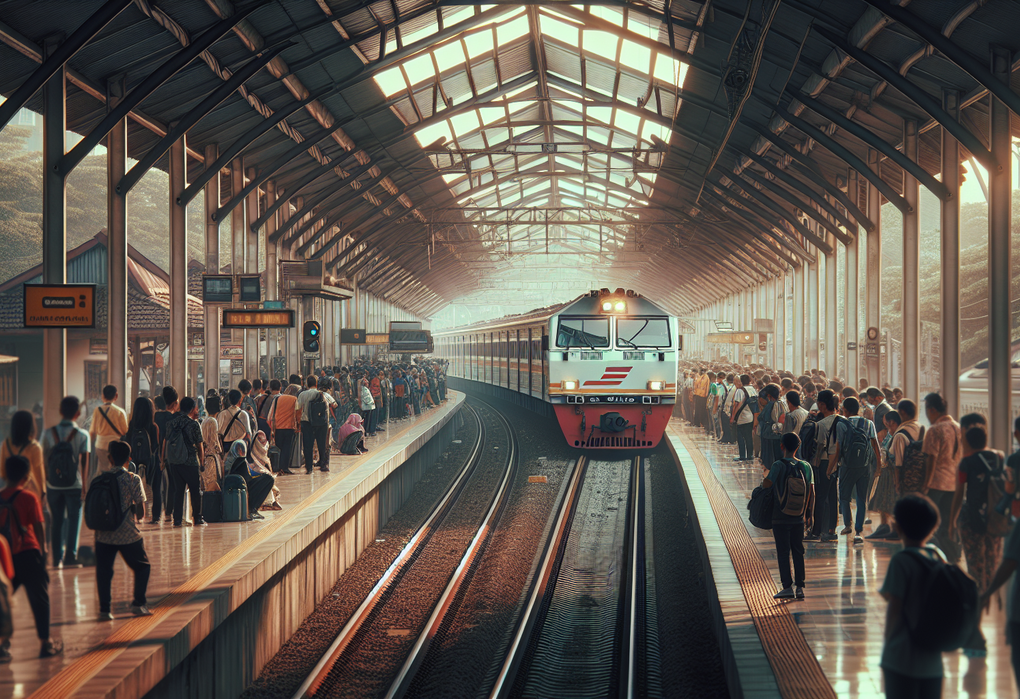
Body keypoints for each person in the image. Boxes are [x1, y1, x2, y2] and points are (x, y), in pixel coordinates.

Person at [880, 494, 945, 699]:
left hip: (901, 658)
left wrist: (887, 648)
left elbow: (895, 608)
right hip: (933, 661)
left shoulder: (901, 561)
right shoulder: (937, 556)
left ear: (896, 526)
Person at [949, 425, 1003, 658]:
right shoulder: (1000, 457)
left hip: (971, 522)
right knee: (989, 570)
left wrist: (952, 520)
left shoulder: (966, 463)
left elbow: (960, 492)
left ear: (967, 442)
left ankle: (976, 630)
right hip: (995, 522)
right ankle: (981, 618)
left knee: (975, 571)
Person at [0, 456, 62, 657]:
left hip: (6, 557)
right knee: (40, 599)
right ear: (26, 477)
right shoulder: (29, 498)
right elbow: (38, 528)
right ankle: (46, 643)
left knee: (4, 600)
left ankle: (3, 643)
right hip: (29, 554)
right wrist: (44, 553)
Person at [95, 440, 151, 621]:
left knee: (104, 571)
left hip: (103, 534)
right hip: (127, 533)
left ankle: (105, 610)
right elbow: (141, 513)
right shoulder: (133, 479)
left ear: (109, 458)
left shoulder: (99, 479)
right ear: (129, 459)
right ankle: (138, 604)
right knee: (143, 566)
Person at [41, 397, 90, 567]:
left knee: (57, 521)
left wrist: (47, 481)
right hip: (74, 485)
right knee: (74, 520)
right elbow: (84, 463)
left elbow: (44, 459)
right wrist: (84, 486)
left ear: (60, 412)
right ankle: (70, 557)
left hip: (53, 485)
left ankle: (56, 559)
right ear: (78, 414)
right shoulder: (83, 435)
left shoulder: (48, 433)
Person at [765, 432, 814, 600]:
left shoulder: (778, 465)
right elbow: (811, 491)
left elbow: (767, 484)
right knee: (798, 550)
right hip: (799, 516)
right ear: (798, 447)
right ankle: (800, 587)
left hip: (780, 516)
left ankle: (787, 587)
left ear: (781, 446)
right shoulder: (806, 466)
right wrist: (810, 514)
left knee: (783, 551)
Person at [832, 397, 882, 544]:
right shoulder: (868, 423)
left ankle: (848, 524)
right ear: (858, 409)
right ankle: (859, 530)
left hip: (847, 466)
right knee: (861, 498)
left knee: (844, 496)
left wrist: (834, 465)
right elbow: (875, 445)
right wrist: (878, 465)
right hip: (864, 466)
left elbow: (838, 447)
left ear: (845, 410)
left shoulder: (841, 424)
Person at [921, 392, 962, 563]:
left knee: (929, 521)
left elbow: (931, 458)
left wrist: (926, 484)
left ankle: (934, 553)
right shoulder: (959, 428)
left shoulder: (935, 430)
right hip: (955, 483)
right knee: (949, 520)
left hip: (937, 483)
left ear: (931, 410)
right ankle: (953, 553)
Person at [163, 397, 205, 528]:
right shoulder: (194, 424)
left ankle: (177, 519)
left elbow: (166, 441)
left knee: (178, 491)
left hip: (174, 462)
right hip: (190, 462)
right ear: (192, 409)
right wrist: (202, 462)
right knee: (195, 490)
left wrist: (163, 459)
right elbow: (200, 446)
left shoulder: (171, 423)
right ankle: (197, 518)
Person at [808, 390, 840, 542]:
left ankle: (816, 531)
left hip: (825, 462)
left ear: (821, 404)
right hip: (839, 463)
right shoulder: (843, 420)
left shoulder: (821, 424)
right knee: (833, 496)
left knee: (820, 497)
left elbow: (820, 446)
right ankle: (832, 530)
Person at [867, 411, 902, 541]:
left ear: (892, 422)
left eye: (887, 425)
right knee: (883, 500)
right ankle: (884, 525)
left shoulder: (898, 435)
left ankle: (889, 526)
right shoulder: (892, 434)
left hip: (891, 473)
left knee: (888, 500)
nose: (887, 428)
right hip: (886, 471)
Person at [125, 397, 159, 521]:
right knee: (155, 487)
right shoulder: (153, 427)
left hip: (134, 461)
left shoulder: (131, 426)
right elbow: (155, 446)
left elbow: (128, 443)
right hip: (149, 463)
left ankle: (133, 513)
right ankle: (155, 516)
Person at [1, 411, 45, 505]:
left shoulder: (6, 444)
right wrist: (42, 494)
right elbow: (39, 474)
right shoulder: (34, 447)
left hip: (10, 492)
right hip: (30, 491)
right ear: (31, 426)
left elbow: (2, 470)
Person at [223, 441, 274, 519]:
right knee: (268, 480)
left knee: (268, 478)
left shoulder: (231, 458)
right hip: (240, 488)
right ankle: (252, 508)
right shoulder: (240, 461)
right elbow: (246, 478)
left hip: (242, 486)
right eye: (240, 449)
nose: (241, 452)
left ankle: (253, 509)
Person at [297, 376, 336, 473]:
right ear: (316, 383)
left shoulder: (302, 394)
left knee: (308, 446)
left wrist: (298, 422)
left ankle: (309, 468)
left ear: (306, 384)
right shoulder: (323, 394)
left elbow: (297, 409)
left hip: (306, 422)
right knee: (322, 444)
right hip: (321, 423)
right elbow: (334, 404)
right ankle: (323, 465)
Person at [89, 385, 128, 479]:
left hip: (100, 445)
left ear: (103, 396)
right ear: (116, 396)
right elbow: (124, 431)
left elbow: (92, 431)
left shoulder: (97, 410)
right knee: (115, 471)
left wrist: (90, 445)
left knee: (102, 470)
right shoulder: (120, 412)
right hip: (115, 446)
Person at [153, 387, 179, 523]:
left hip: (155, 454)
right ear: (175, 402)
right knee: (173, 484)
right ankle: (169, 512)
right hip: (170, 454)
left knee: (157, 485)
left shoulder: (155, 416)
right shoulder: (173, 417)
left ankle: (157, 514)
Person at [268, 381, 298, 476]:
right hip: (289, 427)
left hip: (278, 428)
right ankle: (284, 468)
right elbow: (297, 413)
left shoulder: (277, 399)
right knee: (287, 448)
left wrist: (272, 429)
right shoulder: (294, 399)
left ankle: (276, 467)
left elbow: (270, 416)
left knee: (278, 448)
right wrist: (298, 426)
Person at [249, 432, 281, 510]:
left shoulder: (265, 458)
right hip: (251, 484)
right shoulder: (250, 458)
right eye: (260, 441)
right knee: (267, 479)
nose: (264, 444)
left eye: (264, 441)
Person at [217, 389, 252, 454]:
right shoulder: (243, 414)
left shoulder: (222, 414)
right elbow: (248, 433)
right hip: (240, 446)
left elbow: (218, 433)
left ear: (229, 400)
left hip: (226, 446)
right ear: (240, 401)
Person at [730, 374, 756, 462]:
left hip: (742, 417)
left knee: (740, 437)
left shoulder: (740, 391)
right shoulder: (753, 389)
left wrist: (733, 416)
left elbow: (736, 405)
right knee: (749, 437)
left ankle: (742, 455)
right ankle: (750, 455)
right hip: (751, 416)